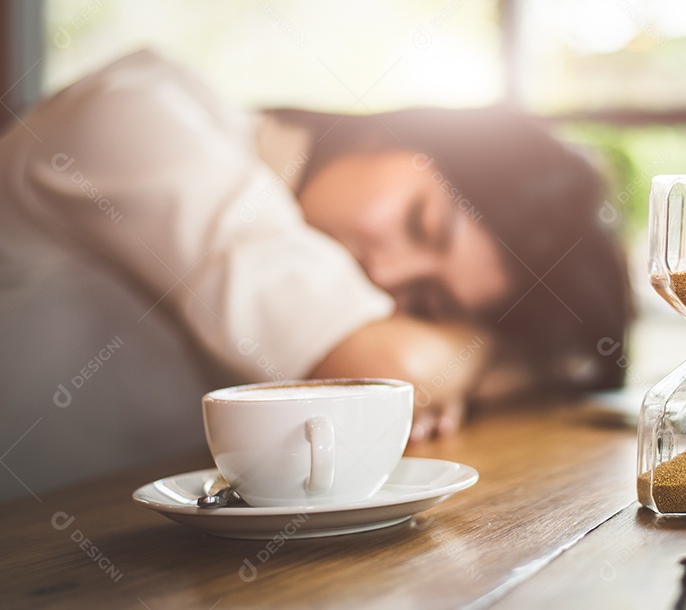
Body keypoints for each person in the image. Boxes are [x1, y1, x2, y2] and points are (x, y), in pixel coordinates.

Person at [0, 49, 630, 502]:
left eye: (426, 300)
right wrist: (488, 349)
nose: (384, 274)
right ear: (395, 132)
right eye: (421, 222)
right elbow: (383, 371)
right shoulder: (142, 118)